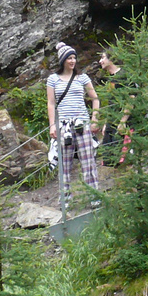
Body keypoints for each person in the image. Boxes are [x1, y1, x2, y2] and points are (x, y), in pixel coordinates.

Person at [46, 42, 100, 211]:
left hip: (82, 123)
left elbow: (95, 98)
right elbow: (50, 103)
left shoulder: (82, 78)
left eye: (74, 57)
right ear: (62, 60)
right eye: (69, 58)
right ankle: (65, 199)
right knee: (65, 164)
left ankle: (95, 197)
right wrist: (52, 126)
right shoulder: (53, 79)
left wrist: (95, 120)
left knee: (88, 161)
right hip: (63, 126)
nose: (72, 61)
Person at [98, 51, 132, 166]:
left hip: (123, 123)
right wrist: (106, 123)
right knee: (110, 158)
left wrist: (123, 121)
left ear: (111, 59)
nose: (100, 61)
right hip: (112, 122)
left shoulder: (124, 75)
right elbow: (111, 103)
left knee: (123, 158)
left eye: (102, 57)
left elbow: (131, 99)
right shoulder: (110, 79)